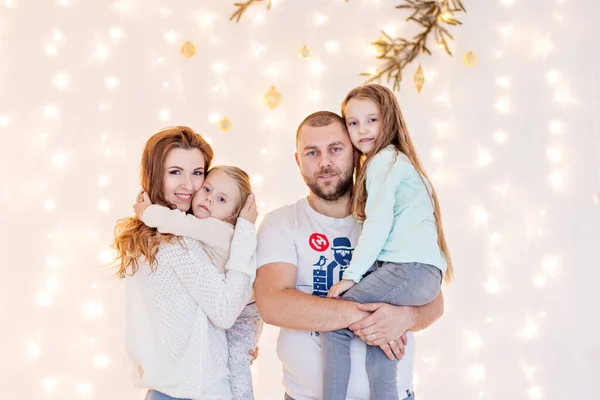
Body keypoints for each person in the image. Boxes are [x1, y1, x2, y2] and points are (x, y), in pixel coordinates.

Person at [254, 111, 444, 400]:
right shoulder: (282, 222)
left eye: (335, 149)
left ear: (356, 154)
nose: (324, 162)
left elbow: (433, 297)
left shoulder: (389, 215)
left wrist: (405, 316)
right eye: (312, 152)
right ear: (298, 161)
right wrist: (368, 317)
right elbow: (273, 304)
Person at [320, 84, 453, 400]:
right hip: (420, 273)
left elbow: (378, 223)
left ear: (388, 120)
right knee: (380, 337)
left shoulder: (384, 161)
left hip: (409, 269)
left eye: (372, 120)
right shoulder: (397, 162)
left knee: (335, 318)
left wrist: (352, 276)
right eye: (353, 123)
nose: (362, 130)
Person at [112, 126, 257, 400]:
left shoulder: (146, 237)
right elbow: (225, 311)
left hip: (166, 389)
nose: (189, 186)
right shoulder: (177, 243)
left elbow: (191, 320)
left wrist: (232, 346)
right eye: (175, 172)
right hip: (198, 391)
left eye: (197, 173)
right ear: (155, 174)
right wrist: (246, 231)